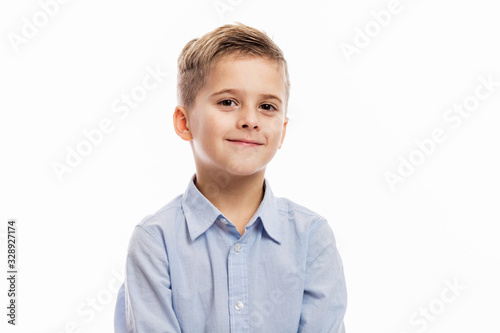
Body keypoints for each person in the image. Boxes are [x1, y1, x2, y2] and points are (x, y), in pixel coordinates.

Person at [114, 22, 347, 332]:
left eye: (267, 106)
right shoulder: (155, 242)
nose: (250, 120)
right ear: (184, 122)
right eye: (228, 102)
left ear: (283, 132)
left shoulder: (312, 238)